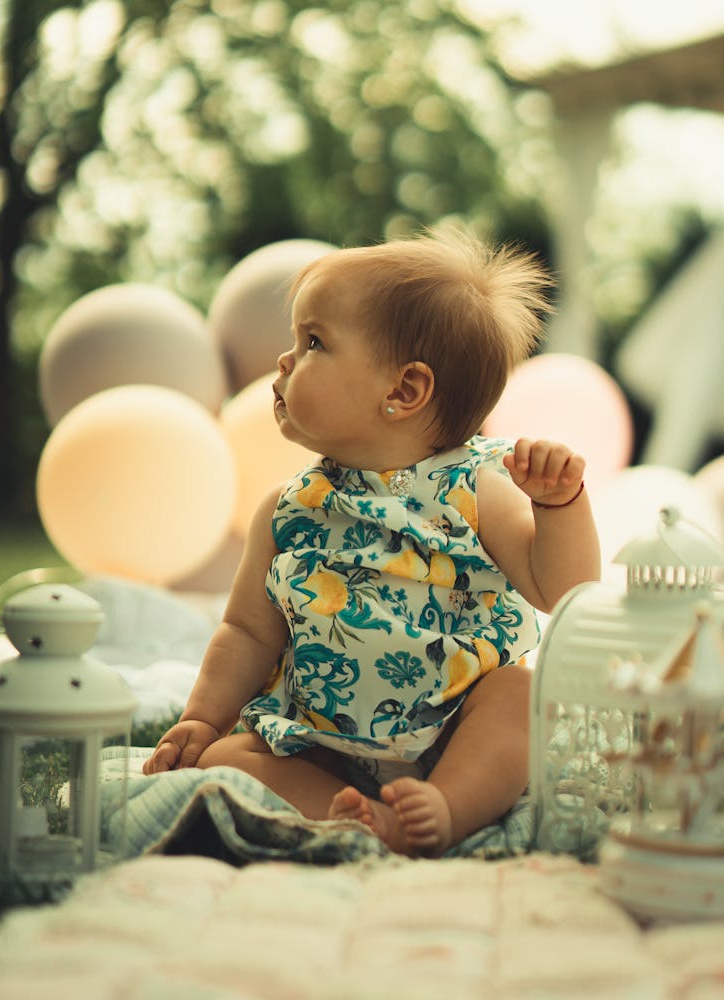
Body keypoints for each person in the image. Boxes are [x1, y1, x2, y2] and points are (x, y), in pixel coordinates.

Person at [143, 228, 601, 856]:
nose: (284, 361)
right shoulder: (285, 511)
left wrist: (559, 506)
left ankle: (446, 805)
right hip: (320, 740)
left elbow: (564, 590)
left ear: (404, 392)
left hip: (452, 729)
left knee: (518, 697)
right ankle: (350, 818)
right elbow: (248, 632)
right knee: (228, 757)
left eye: (313, 342)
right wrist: (202, 717)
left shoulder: (476, 487)